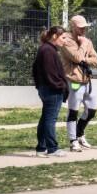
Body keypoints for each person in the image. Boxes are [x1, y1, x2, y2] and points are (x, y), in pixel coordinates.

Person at [58, 14, 97, 152]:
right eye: (81, 27)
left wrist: (85, 59)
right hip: (73, 81)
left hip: (87, 80)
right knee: (73, 111)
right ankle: (73, 140)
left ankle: (80, 133)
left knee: (92, 110)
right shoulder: (66, 40)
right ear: (73, 27)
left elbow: (95, 60)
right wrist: (82, 47)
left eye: (85, 27)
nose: (83, 30)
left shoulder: (87, 41)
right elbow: (76, 57)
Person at [31, 26, 68, 157]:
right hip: (52, 90)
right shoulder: (48, 51)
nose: (65, 41)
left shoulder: (46, 49)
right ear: (54, 36)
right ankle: (52, 148)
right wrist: (61, 85)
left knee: (45, 119)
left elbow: (35, 70)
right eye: (63, 38)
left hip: (46, 88)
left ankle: (41, 148)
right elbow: (50, 73)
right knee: (50, 119)